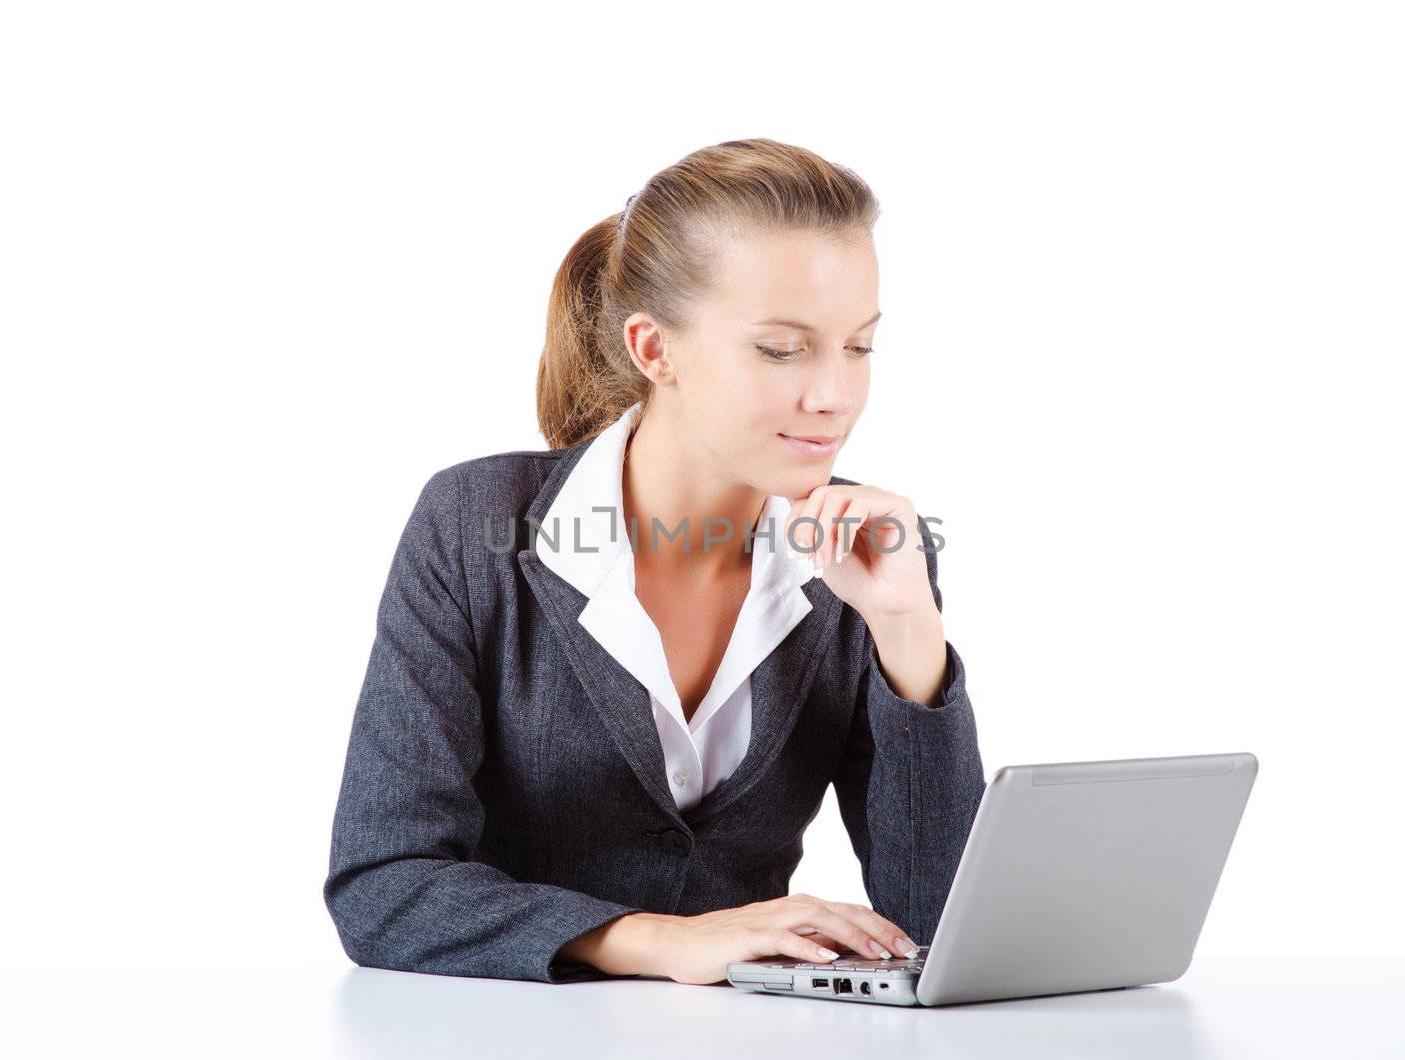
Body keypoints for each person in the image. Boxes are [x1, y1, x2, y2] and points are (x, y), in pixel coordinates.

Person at [323, 137, 986, 986]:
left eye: (858, 347)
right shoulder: (477, 525)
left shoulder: (865, 552)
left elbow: (941, 926)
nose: (834, 396)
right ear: (653, 348)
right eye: (781, 349)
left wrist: (908, 636)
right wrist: (662, 940)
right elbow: (385, 884)